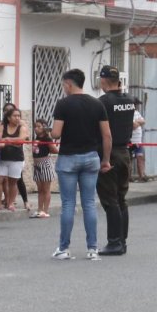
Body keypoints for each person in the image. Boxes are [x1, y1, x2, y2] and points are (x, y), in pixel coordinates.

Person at [50, 68, 112, 261]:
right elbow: (107, 135)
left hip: (68, 157)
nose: (63, 88)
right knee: (89, 204)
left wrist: (49, 132)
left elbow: (56, 134)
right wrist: (106, 160)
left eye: (64, 85)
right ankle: (92, 249)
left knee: (68, 204)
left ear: (69, 84)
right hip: (91, 157)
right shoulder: (97, 104)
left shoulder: (63, 104)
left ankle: (64, 248)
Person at [97, 65, 136, 256]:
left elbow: (102, 132)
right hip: (125, 153)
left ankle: (114, 242)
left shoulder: (103, 102)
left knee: (110, 199)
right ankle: (122, 240)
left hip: (109, 153)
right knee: (121, 198)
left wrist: (103, 158)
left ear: (103, 81)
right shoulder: (129, 100)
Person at [0, 108, 28, 213]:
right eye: (15, 116)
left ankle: (10, 203)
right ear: (9, 117)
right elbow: (0, 139)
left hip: (16, 158)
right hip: (3, 157)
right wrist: (13, 141)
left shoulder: (21, 127)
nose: (17, 118)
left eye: (19, 116)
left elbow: (22, 139)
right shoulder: (2, 126)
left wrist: (8, 140)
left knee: (13, 182)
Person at [32, 118, 56, 219]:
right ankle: (39, 209)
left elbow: (54, 150)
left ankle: (45, 211)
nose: (36, 129)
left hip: (45, 163)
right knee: (40, 189)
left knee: (46, 189)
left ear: (44, 128)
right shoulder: (36, 137)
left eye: (39, 127)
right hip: (36, 165)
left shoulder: (47, 139)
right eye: (35, 127)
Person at [131, 98, 148, 182]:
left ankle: (141, 176)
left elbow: (143, 121)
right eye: (135, 104)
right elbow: (133, 125)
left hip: (138, 140)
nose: (136, 106)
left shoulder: (137, 113)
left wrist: (137, 122)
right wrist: (138, 123)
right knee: (128, 160)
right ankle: (128, 177)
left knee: (140, 157)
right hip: (130, 141)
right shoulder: (127, 113)